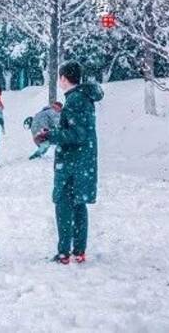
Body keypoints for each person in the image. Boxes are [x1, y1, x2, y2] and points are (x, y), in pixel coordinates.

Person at [34, 61, 104, 265]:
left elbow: (77, 134)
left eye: (60, 78)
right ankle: (78, 251)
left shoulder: (74, 100)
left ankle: (64, 252)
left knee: (63, 205)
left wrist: (50, 135)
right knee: (79, 205)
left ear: (64, 78)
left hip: (72, 163)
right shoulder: (84, 98)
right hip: (83, 162)